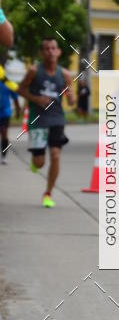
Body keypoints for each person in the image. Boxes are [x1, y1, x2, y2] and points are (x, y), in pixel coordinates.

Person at [18, 37, 75, 207]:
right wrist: (36, 99)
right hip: (38, 119)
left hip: (57, 118)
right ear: (42, 53)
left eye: (53, 48)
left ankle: (48, 193)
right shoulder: (34, 71)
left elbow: (71, 101)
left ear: (58, 52)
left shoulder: (64, 74)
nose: (51, 51)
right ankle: (35, 161)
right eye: (47, 49)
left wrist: (71, 97)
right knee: (40, 162)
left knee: (56, 155)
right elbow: (21, 89)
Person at [0, 69, 20, 164]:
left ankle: (4, 156)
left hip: (4, 112)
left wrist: (18, 110)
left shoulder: (8, 84)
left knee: (4, 133)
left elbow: (15, 98)